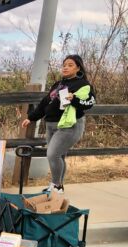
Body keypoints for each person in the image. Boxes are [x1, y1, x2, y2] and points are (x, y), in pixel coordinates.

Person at [21, 55, 95, 194]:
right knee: (58, 156)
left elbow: (89, 103)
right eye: (64, 65)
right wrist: (31, 118)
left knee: (52, 154)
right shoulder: (59, 84)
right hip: (51, 125)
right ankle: (58, 187)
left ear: (78, 68)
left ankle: (56, 186)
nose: (66, 67)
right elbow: (45, 102)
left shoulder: (83, 85)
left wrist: (74, 99)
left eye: (70, 65)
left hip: (69, 126)